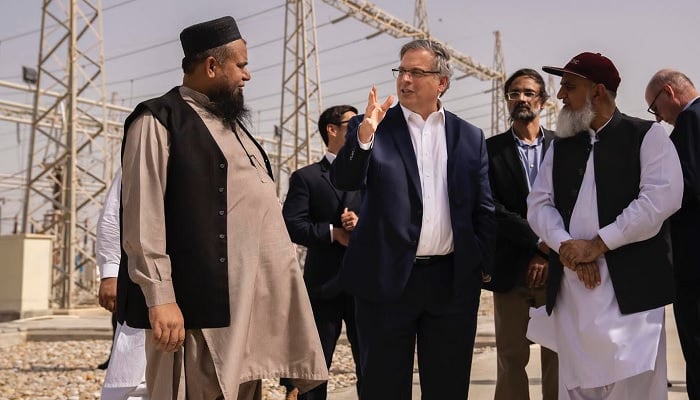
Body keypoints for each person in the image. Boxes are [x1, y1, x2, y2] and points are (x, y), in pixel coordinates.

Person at [117, 15, 327, 400]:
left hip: (248, 315)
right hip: (199, 315)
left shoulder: (231, 124)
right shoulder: (157, 121)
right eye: (241, 65)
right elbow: (142, 221)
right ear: (212, 66)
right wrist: (161, 298)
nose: (247, 76)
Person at [331, 39, 496, 399]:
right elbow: (344, 180)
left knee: (448, 388)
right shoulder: (372, 127)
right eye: (401, 71)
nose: (405, 79)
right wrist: (363, 137)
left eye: (416, 72)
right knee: (383, 388)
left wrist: (479, 266)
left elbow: (483, 209)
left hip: (450, 284)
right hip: (386, 284)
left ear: (441, 82)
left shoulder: (469, 137)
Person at [526, 52, 683, 399]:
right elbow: (538, 204)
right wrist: (567, 247)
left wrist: (596, 246)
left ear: (597, 92)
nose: (561, 95)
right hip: (573, 288)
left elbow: (660, 200)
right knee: (577, 385)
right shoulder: (561, 146)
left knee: (632, 385)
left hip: (631, 291)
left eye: (569, 86)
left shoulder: (648, 136)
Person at [280, 105, 363, 400]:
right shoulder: (307, 177)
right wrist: (333, 233)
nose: (359, 129)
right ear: (332, 129)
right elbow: (292, 225)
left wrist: (360, 224)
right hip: (323, 285)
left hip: (365, 286)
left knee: (372, 365)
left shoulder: (371, 175)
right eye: (352, 124)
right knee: (313, 369)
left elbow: (389, 219)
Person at [485, 68, 557, 400]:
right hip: (511, 269)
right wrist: (535, 244)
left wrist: (547, 252)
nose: (522, 99)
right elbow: (490, 207)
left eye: (529, 93)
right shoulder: (489, 150)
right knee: (511, 358)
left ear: (542, 100)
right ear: (507, 102)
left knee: (559, 356)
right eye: (514, 93)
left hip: (559, 266)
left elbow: (575, 204)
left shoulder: (565, 146)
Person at [646, 69, 700, 399]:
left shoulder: (691, 121)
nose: (659, 118)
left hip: (693, 261)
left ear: (669, 93)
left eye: (655, 108)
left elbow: (686, 188)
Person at [96, 168, 148, 400]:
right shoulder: (145, 151)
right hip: (143, 278)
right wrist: (110, 273)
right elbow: (113, 214)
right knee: (133, 375)